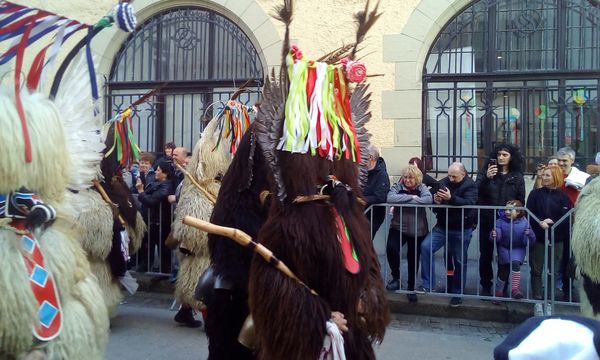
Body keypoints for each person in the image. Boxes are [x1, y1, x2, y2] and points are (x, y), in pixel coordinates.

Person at [419, 162, 478, 307]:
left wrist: (450, 199)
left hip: (461, 229)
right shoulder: (445, 181)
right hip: (442, 226)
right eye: (449, 175)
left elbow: (469, 202)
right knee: (426, 247)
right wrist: (436, 201)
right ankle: (428, 284)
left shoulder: (470, 185)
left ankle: (458, 293)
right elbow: (432, 194)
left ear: (463, 175)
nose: (450, 179)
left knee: (459, 260)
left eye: (454, 177)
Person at [475, 144, 525, 296]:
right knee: (485, 256)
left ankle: (502, 286)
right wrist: (486, 178)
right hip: (487, 220)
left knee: (505, 257)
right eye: (499, 154)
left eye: (505, 154)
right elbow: (476, 191)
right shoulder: (485, 172)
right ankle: (486, 285)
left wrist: (516, 218)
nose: (501, 157)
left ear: (511, 157)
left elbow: (520, 200)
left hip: (507, 222)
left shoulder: (517, 176)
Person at [526, 166, 572, 313]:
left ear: (555, 177)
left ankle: (550, 300)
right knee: (536, 269)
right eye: (543, 175)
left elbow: (566, 217)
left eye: (547, 175)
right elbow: (529, 212)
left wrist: (552, 222)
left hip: (557, 238)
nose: (544, 177)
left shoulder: (563, 197)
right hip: (538, 236)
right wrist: (540, 221)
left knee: (554, 269)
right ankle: (538, 300)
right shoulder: (535, 194)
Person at [385, 165, 432, 303]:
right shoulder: (398, 185)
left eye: (410, 178)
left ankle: (411, 287)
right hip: (398, 227)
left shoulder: (422, 187)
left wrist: (404, 198)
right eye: (405, 177)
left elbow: (428, 200)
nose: (407, 180)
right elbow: (390, 198)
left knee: (413, 258)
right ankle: (396, 278)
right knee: (391, 248)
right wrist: (412, 197)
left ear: (416, 178)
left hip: (418, 230)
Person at [490, 200, 535, 302]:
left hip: (518, 248)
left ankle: (515, 289)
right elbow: (497, 234)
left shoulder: (525, 222)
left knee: (515, 264)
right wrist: (495, 234)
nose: (507, 212)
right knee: (504, 269)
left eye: (510, 210)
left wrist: (529, 234)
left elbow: (526, 242)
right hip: (504, 247)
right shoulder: (500, 221)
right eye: (506, 209)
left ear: (518, 212)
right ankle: (498, 292)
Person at [136, 159, 175, 273]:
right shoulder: (156, 182)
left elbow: (151, 201)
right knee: (147, 246)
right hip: (151, 220)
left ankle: (164, 270)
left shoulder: (167, 186)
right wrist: (142, 174)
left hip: (160, 222)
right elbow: (147, 187)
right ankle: (146, 266)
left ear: (165, 173)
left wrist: (140, 191)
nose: (156, 172)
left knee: (163, 248)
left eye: (158, 170)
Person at [363, 145, 390, 239]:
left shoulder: (382, 174)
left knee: (365, 242)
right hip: (362, 213)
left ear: (370, 157)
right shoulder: (364, 172)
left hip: (374, 215)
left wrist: (360, 199)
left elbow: (381, 197)